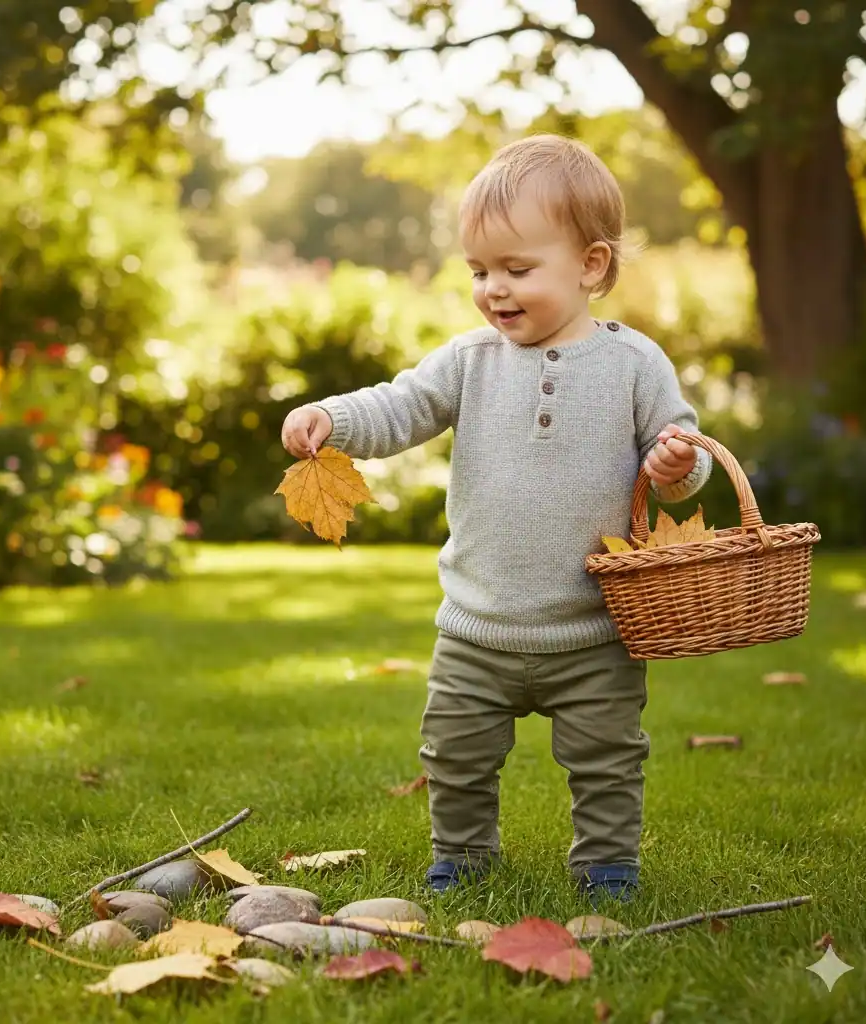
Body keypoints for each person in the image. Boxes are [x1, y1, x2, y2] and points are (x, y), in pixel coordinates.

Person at [280, 134, 711, 907]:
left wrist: (679, 467)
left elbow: (683, 454)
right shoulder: (470, 360)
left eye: (517, 269)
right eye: (480, 271)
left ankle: (607, 866)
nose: (494, 290)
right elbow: (401, 405)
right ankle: (463, 857)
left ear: (591, 265)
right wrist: (333, 418)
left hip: (594, 629)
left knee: (608, 759)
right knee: (455, 755)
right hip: (476, 626)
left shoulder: (634, 365)